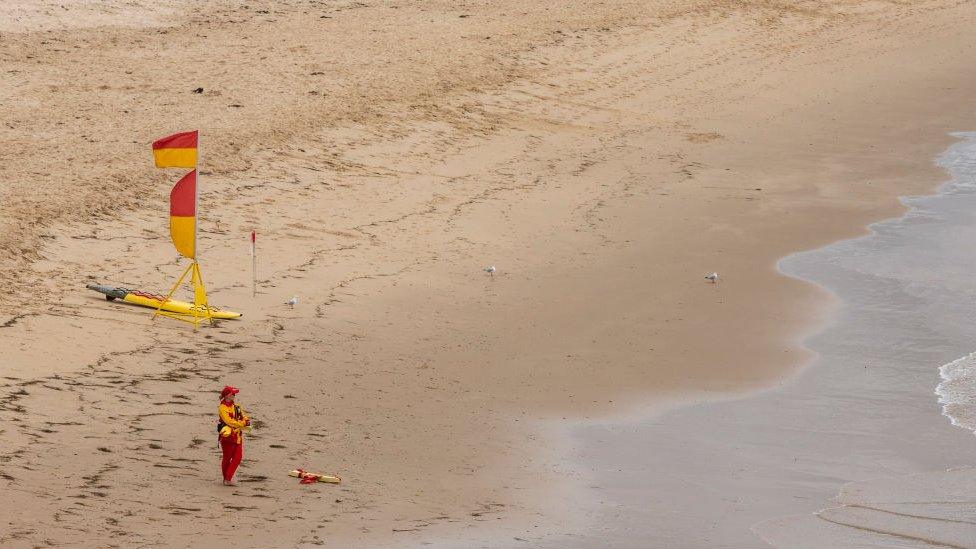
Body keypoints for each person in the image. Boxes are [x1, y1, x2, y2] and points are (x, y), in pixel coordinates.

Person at [217, 386, 250, 485]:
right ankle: (226, 479)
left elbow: (245, 417)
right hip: (227, 437)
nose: (234, 395)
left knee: (238, 457)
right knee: (227, 458)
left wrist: (244, 421)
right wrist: (242, 423)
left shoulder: (236, 406)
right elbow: (229, 421)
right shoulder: (222, 408)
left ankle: (228, 478)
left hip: (237, 436)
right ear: (227, 395)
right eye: (233, 394)